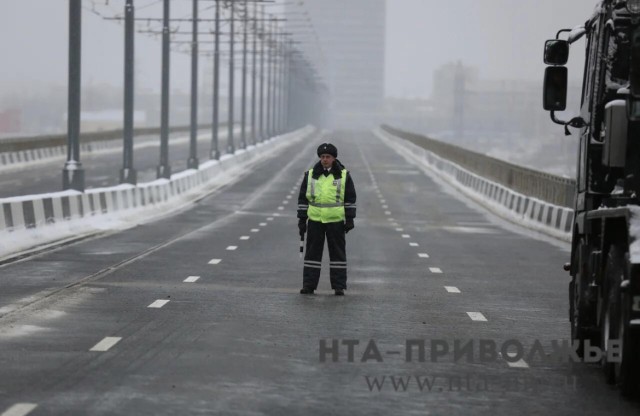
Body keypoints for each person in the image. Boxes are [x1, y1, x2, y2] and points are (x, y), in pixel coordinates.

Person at [297, 143, 356, 296]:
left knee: (337, 255)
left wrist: (350, 219)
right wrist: (302, 220)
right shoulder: (310, 175)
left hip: (335, 221)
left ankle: (339, 286)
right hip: (315, 220)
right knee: (312, 255)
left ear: (334, 158)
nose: (324, 160)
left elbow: (350, 199)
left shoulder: (343, 175)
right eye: (322, 157)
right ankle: (309, 285)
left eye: (328, 157)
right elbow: (303, 199)